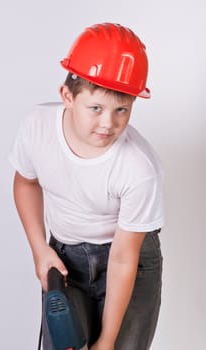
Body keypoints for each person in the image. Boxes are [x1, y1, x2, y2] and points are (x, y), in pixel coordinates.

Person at [9, 22, 164, 350]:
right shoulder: (36, 128)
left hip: (127, 262)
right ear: (67, 96)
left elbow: (124, 258)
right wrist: (40, 250)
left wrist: (107, 341)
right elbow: (26, 182)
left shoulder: (139, 167)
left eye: (122, 109)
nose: (109, 123)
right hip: (65, 257)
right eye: (96, 108)